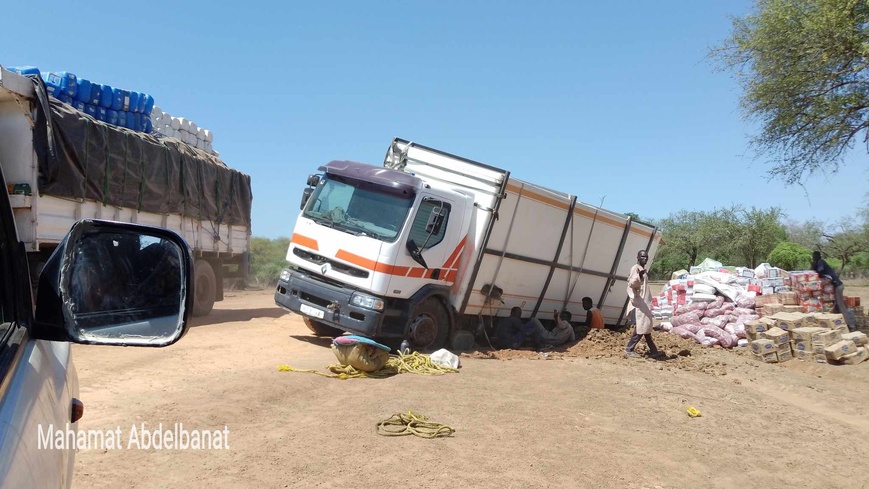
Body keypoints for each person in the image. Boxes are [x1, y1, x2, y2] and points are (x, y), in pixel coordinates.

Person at [624, 250, 662, 359]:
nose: (644, 259)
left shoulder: (642, 269)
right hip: (640, 303)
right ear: (638, 257)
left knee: (647, 328)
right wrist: (639, 277)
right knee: (641, 327)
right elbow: (631, 283)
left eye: (646, 257)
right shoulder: (635, 268)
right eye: (642, 257)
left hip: (645, 303)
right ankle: (629, 349)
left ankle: (654, 351)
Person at [812, 251, 856, 332]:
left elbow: (820, 271)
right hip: (836, 286)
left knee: (840, 305)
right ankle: (840, 324)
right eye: (813, 256)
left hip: (838, 286)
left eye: (814, 256)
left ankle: (850, 324)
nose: (813, 257)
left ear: (818, 256)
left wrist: (814, 269)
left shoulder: (821, 262)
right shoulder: (819, 262)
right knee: (836, 305)